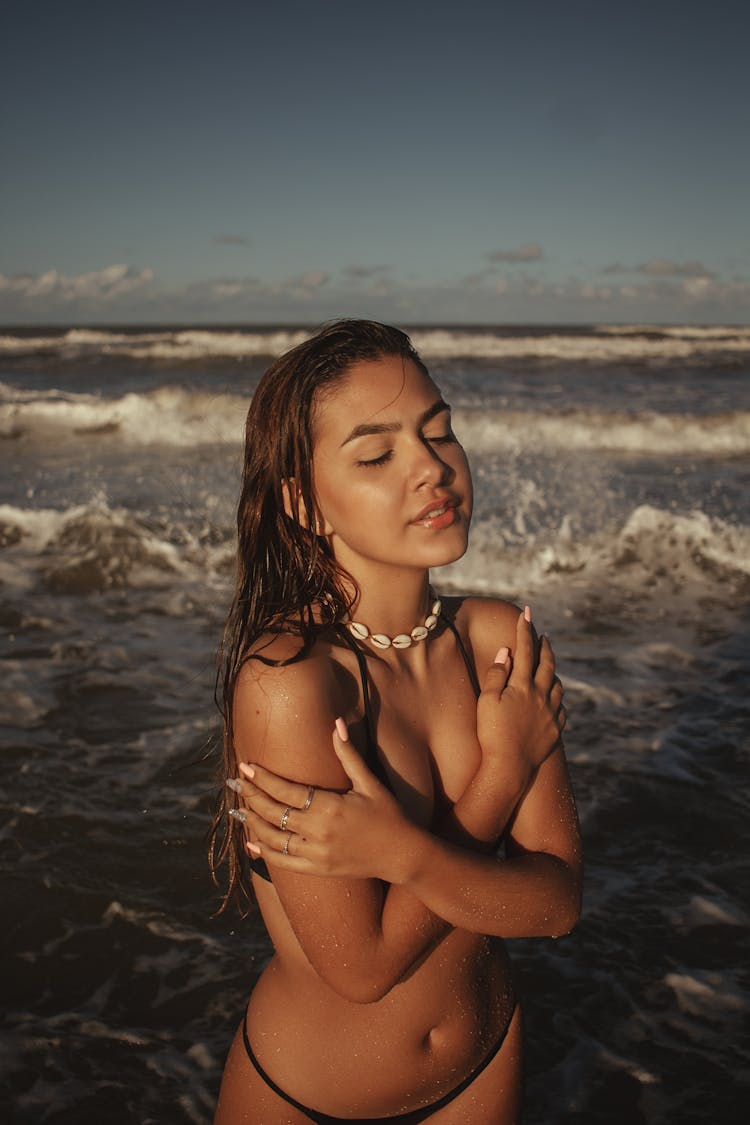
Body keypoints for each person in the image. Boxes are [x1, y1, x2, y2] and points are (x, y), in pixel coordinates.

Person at [209, 319, 581, 1124]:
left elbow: (555, 903)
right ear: (303, 504)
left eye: (439, 431)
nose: (432, 468)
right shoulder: (291, 684)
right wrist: (501, 778)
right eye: (376, 454)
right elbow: (363, 967)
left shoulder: (494, 640)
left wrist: (402, 853)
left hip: (483, 1067)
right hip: (313, 1098)